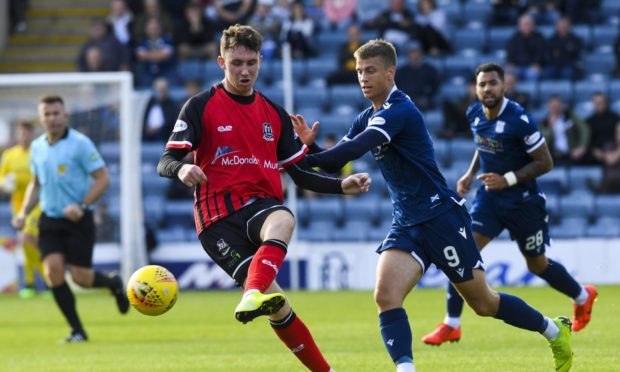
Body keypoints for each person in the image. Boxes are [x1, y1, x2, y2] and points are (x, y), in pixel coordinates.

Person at [291, 42, 573, 372]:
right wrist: (309, 147)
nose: (363, 78)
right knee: (385, 296)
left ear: (390, 72)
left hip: (442, 216)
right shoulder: (367, 116)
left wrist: (292, 156)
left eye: (370, 71)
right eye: (358, 72)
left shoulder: (399, 111)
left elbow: (344, 155)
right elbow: (330, 161)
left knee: (484, 303)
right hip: (408, 222)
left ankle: (555, 331)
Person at [156, 24, 370, 372]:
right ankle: (264, 303)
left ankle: (252, 295)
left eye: (251, 63)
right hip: (216, 221)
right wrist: (180, 170)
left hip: (259, 205)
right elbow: (165, 160)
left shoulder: (273, 113)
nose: (244, 71)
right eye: (236, 62)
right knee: (279, 307)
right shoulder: (199, 106)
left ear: (259, 62)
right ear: (220, 62)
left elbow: (298, 173)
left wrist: (340, 185)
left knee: (283, 217)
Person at [420, 63, 597, 349]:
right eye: (482, 84)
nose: (487, 89)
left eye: (493, 83)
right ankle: (451, 324)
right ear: (475, 88)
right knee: (463, 253)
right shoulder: (474, 112)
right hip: (489, 200)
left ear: (504, 86)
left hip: (523, 203)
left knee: (537, 264)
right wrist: (468, 173)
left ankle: (582, 296)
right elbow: (484, 144)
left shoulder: (520, 119)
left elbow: (545, 162)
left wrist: (508, 178)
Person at [12, 95, 129, 343]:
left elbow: (103, 179)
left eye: (57, 113)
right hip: (49, 219)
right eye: (47, 114)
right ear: (41, 118)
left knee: (81, 278)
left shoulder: (81, 143)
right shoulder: (37, 147)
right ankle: (77, 330)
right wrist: (23, 212)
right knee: (53, 272)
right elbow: (36, 183)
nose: (52, 118)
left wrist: (83, 204)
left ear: (65, 115)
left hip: (78, 220)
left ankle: (113, 283)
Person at [0, 121, 44, 298]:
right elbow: (2, 177)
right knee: (27, 243)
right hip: (17, 205)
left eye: (27, 133)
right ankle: (31, 284)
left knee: (27, 238)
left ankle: (47, 282)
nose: (24, 136)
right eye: (21, 133)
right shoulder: (10, 155)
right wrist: (5, 183)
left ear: (32, 134)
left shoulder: (37, 153)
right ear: (17, 134)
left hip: (36, 204)